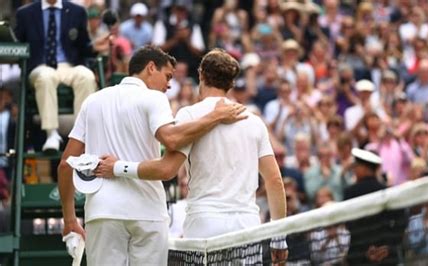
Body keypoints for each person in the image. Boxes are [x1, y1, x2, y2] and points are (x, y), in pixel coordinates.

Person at [96, 48, 288, 264]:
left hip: (204, 225)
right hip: (247, 226)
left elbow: (167, 169)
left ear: (201, 76)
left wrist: (117, 167)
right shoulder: (253, 122)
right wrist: (279, 239)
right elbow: (274, 180)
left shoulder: (188, 115)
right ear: (231, 83)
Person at [58, 45, 246, 265]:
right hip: (147, 213)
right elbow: (172, 140)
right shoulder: (154, 98)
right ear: (150, 68)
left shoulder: (92, 101)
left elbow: (65, 165)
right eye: (167, 76)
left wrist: (70, 220)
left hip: (102, 211)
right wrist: (214, 116)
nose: (169, 85)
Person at [15, 0, 108, 152]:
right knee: (46, 76)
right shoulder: (25, 13)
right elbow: (17, 44)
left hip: (68, 65)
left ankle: (82, 134)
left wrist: (94, 47)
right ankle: (52, 134)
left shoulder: (77, 11)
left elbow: (83, 47)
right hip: (40, 66)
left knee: (86, 75)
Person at [344, 148, 407, 265]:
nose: (354, 169)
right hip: (387, 258)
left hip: (359, 257)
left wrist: (367, 251)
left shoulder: (350, 193)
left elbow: (349, 225)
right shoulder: (388, 193)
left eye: (356, 165)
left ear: (365, 168)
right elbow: (402, 221)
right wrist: (387, 246)